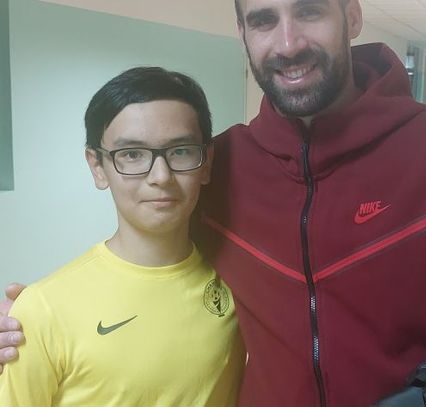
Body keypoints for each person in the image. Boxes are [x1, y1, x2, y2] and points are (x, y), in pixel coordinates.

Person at [1, 0, 426, 406]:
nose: (287, 43)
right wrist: (40, 315)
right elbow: (148, 250)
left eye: (309, 11)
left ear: (352, 16)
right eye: (262, 20)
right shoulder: (219, 166)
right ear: (242, 34)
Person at [0, 67, 245, 406]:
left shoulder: (243, 288)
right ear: (97, 166)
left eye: (181, 151)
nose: (161, 176)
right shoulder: (41, 309)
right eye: (132, 154)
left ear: (206, 162)